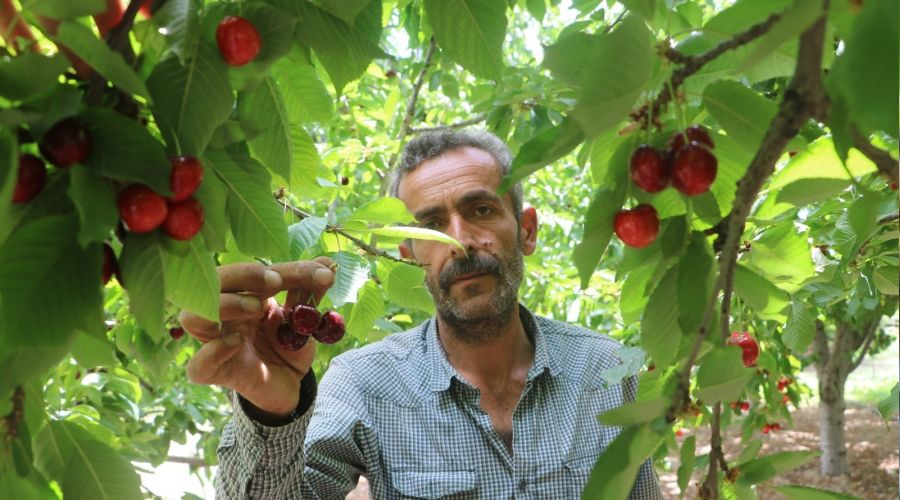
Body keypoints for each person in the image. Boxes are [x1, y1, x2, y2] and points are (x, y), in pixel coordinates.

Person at [180, 129, 663, 499]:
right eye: (432, 225)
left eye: (481, 211)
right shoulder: (364, 384)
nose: (460, 241)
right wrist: (273, 411)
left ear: (528, 230)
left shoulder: (607, 370)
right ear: (409, 251)